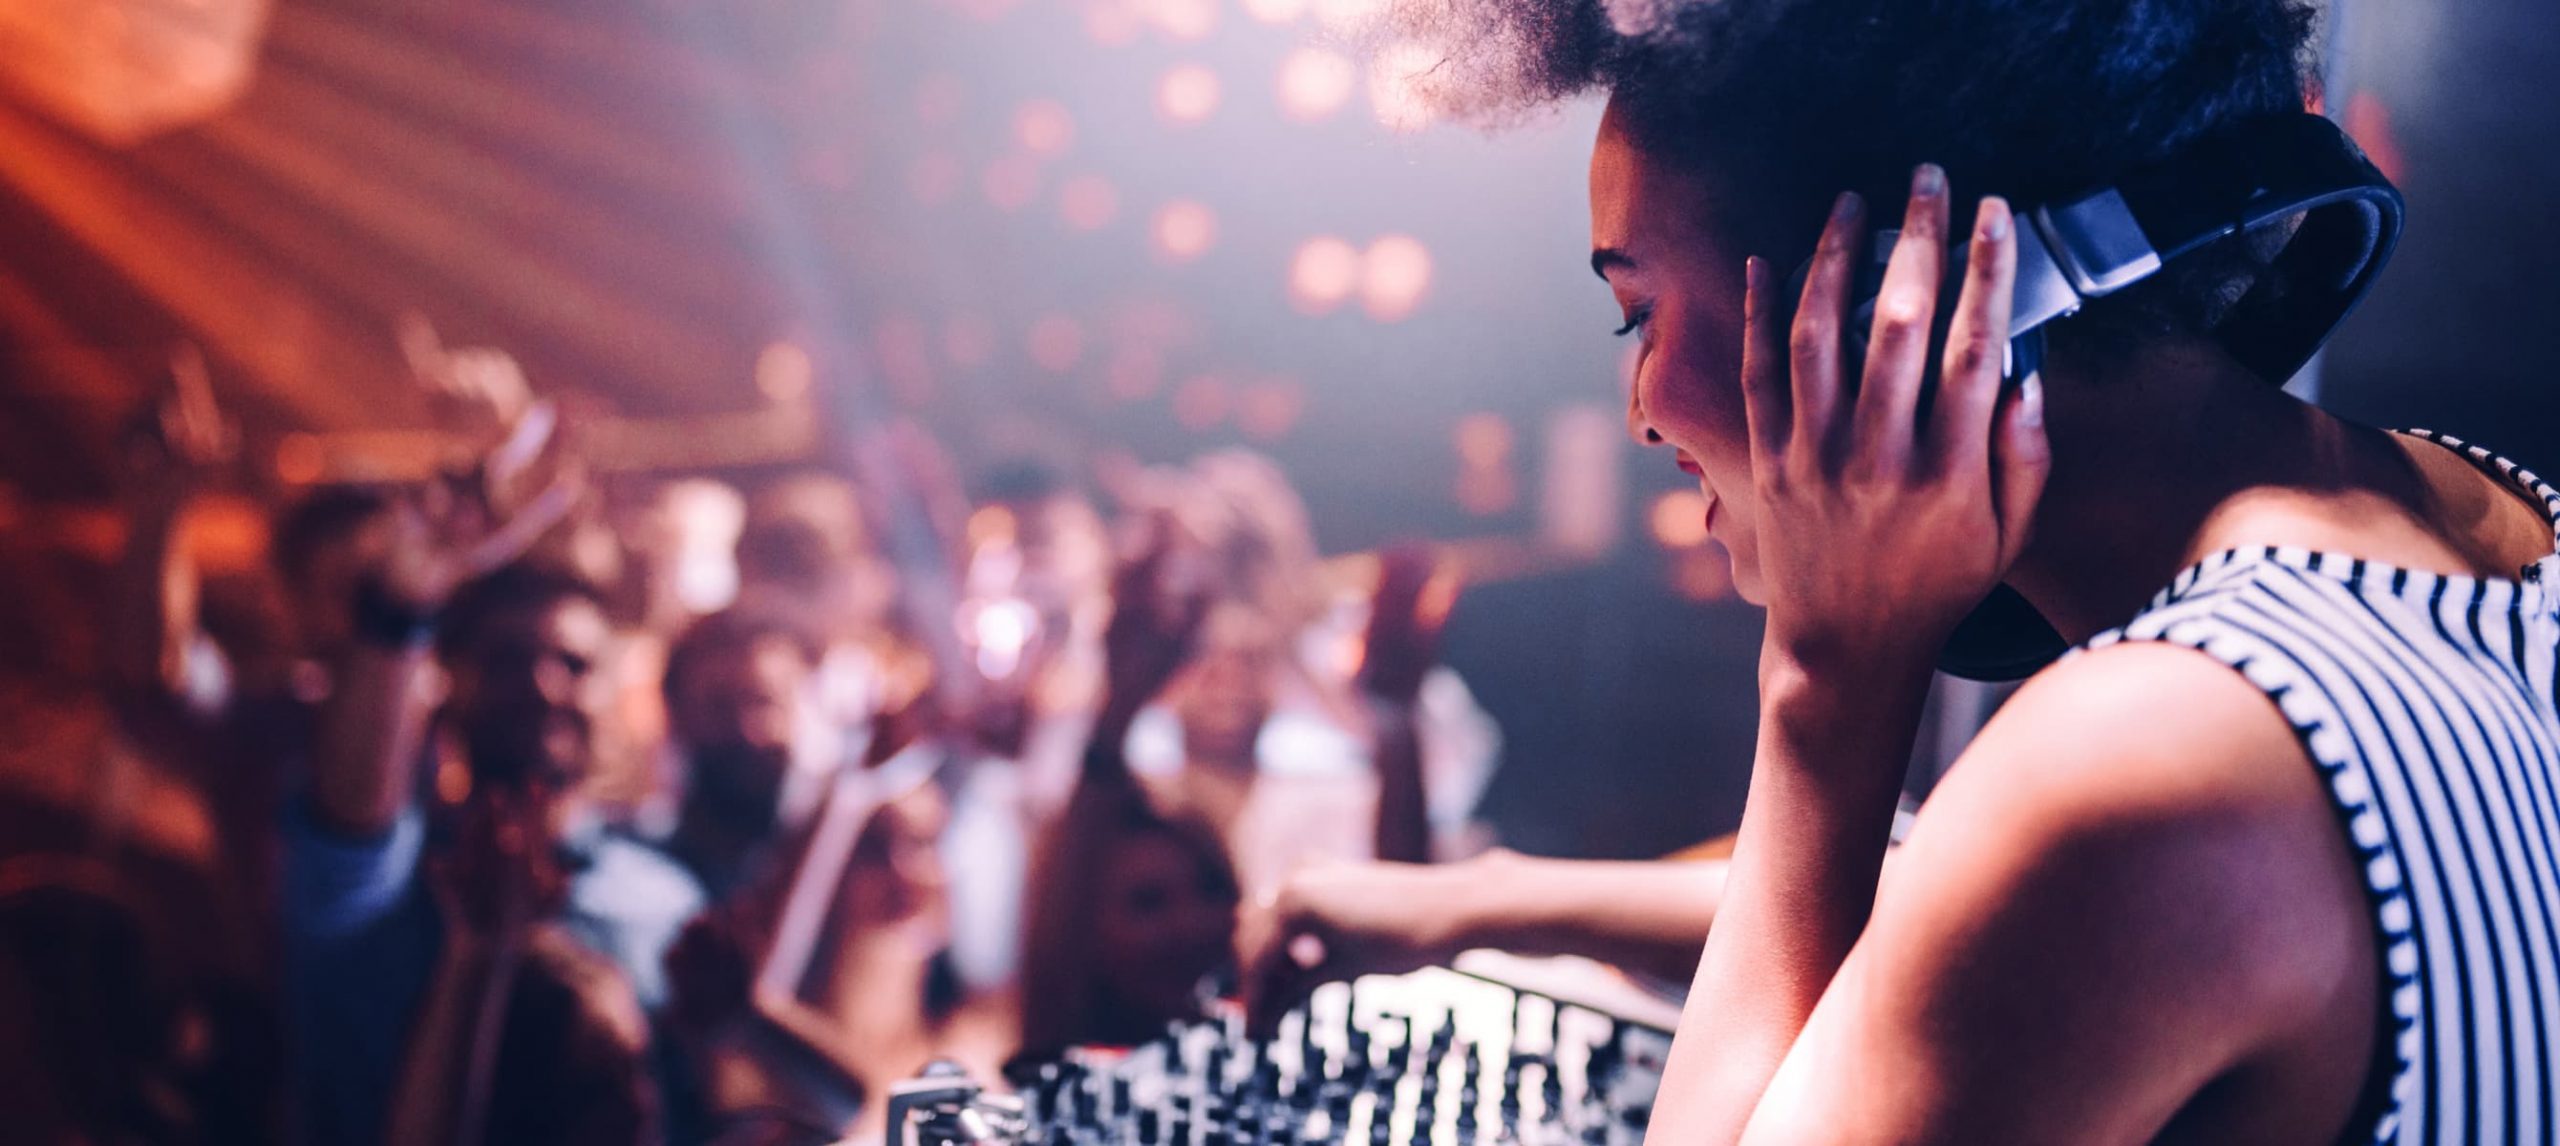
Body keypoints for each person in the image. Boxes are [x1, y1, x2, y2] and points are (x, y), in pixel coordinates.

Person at [1274, 1, 2560, 1141]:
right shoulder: (2489, 518)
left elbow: (2082, 871)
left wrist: (1828, 687)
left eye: (1640, 312)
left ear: (1894, 303)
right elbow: (1996, 917)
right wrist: (1498, 902)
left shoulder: (2149, 764)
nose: (1642, 415)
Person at [281, 418, 688, 1143]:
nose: (541, 684)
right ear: (448, 686)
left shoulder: (665, 897)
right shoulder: (393, 883)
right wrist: (402, 604)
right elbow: (351, 818)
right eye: (505, 658)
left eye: (574, 664)